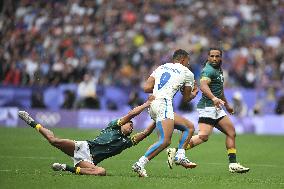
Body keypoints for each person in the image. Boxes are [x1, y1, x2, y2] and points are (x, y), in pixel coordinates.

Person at [18, 95, 156, 176]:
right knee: (54, 140)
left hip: (89, 161)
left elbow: (145, 133)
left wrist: (158, 119)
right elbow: (131, 114)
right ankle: (31, 122)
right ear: (122, 124)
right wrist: (146, 104)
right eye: (129, 124)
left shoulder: (127, 142)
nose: (131, 126)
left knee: (101, 172)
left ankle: (66, 168)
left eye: (132, 126)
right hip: (83, 147)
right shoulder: (113, 125)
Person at [167, 48, 250, 173]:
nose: (215, 58)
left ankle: (233, 164)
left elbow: (219, 90)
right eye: (212, 56)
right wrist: (213, 98)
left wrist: (227, 105)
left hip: (217, 108)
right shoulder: (208, 70)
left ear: (221, 57)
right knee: (203, 136)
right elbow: (203, 86)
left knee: (231, 132)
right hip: (207, 107)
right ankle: (177, 150)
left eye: (217, 56)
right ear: (208, 57)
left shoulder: (219, 70)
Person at [132, 49, 198, 177]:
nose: (188, 64)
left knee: (189, 127)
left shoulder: (161, 67)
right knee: (165, 141)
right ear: (183, 60)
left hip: (152, 104)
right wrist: (194, 93)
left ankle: (180, 156)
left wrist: (164, 87)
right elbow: (186, 99)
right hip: (164, 104)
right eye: (188, 61)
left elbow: (146, 88)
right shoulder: (187, 73)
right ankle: (140, 163)